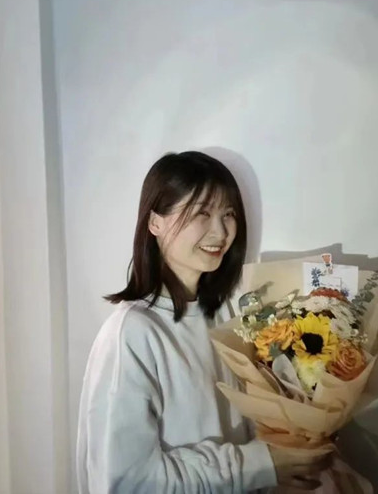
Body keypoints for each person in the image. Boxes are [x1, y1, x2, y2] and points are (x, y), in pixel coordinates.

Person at [76, 151, 332, 493]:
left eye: (228, 214)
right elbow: (128, 483)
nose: (221, 231)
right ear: (155, 223)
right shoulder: (131, 333)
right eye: (202, 213)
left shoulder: (232, 316)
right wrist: (260, 464)